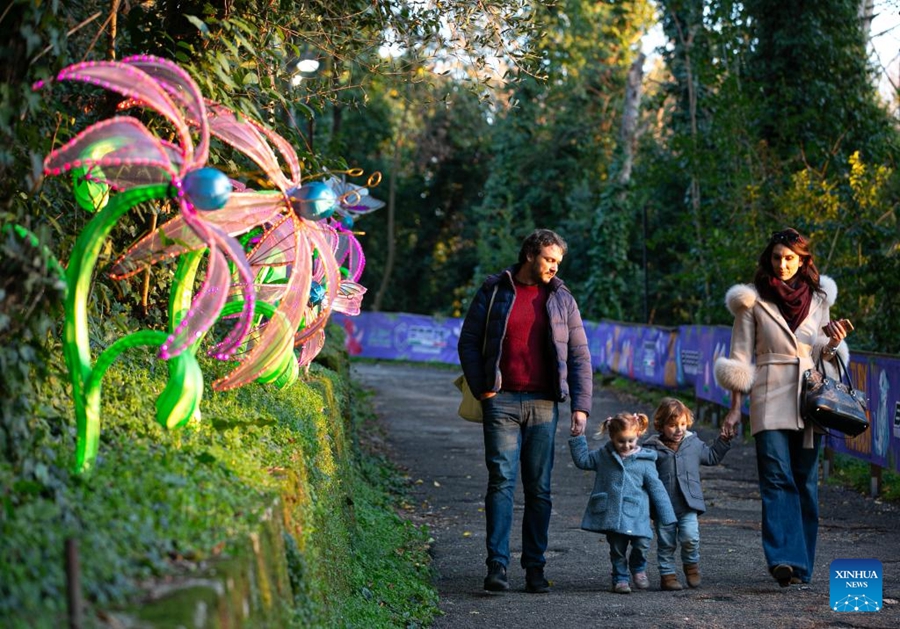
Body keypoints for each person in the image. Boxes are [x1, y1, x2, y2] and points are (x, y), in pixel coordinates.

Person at [714, 228, 853, 587]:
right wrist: (734, 409)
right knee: (776, 477)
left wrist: (834, 343)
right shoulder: (751, 301)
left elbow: (826, 355)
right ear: (769, 259)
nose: (783, 264)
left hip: (810, 399)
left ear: (803, 260)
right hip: (768, 395)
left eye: (790, 257)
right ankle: (783, 559)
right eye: (777, 257)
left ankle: (802, 564)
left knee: (805, 481)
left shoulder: (821, 298)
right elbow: (740, 358)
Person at [458, 228, 593, 594]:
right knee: (501, 481)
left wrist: (581, 405)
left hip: (544, 403)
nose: (554, 267)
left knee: (540, 489)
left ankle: (535, 567)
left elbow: (580, 354)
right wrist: (482, 386)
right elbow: (468, 341)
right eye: (549, 259)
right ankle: (496, 567)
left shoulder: (562, 298)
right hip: (500, 400)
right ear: (530, 255)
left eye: (558, 262)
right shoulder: (495, 289)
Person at [569, 412, 676, 594]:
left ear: (638, 436)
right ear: (612, 437)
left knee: (642, 544)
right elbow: (583, 460)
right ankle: (620, 579)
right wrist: (578, 437)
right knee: (617, 550)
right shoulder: (603, 456)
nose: (626, 445)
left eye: (631, 441)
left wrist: (667, 515)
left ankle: (638, 567)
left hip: (637, 515)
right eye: (621, 441)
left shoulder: (645, 461)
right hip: (613, 515)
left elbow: (656, 488)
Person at [643, 397, 732, 590]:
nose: (679, 429)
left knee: (691, 537)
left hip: (688, 504)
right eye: (673, 425)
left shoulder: (693, 444)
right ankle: (668, 576)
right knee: (666, 543)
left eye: (682, 424)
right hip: (662, 506)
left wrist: (723, 441)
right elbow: (640, 472)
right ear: (660, 425)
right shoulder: (650, 448)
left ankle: (691, 567)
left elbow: (711, 456)